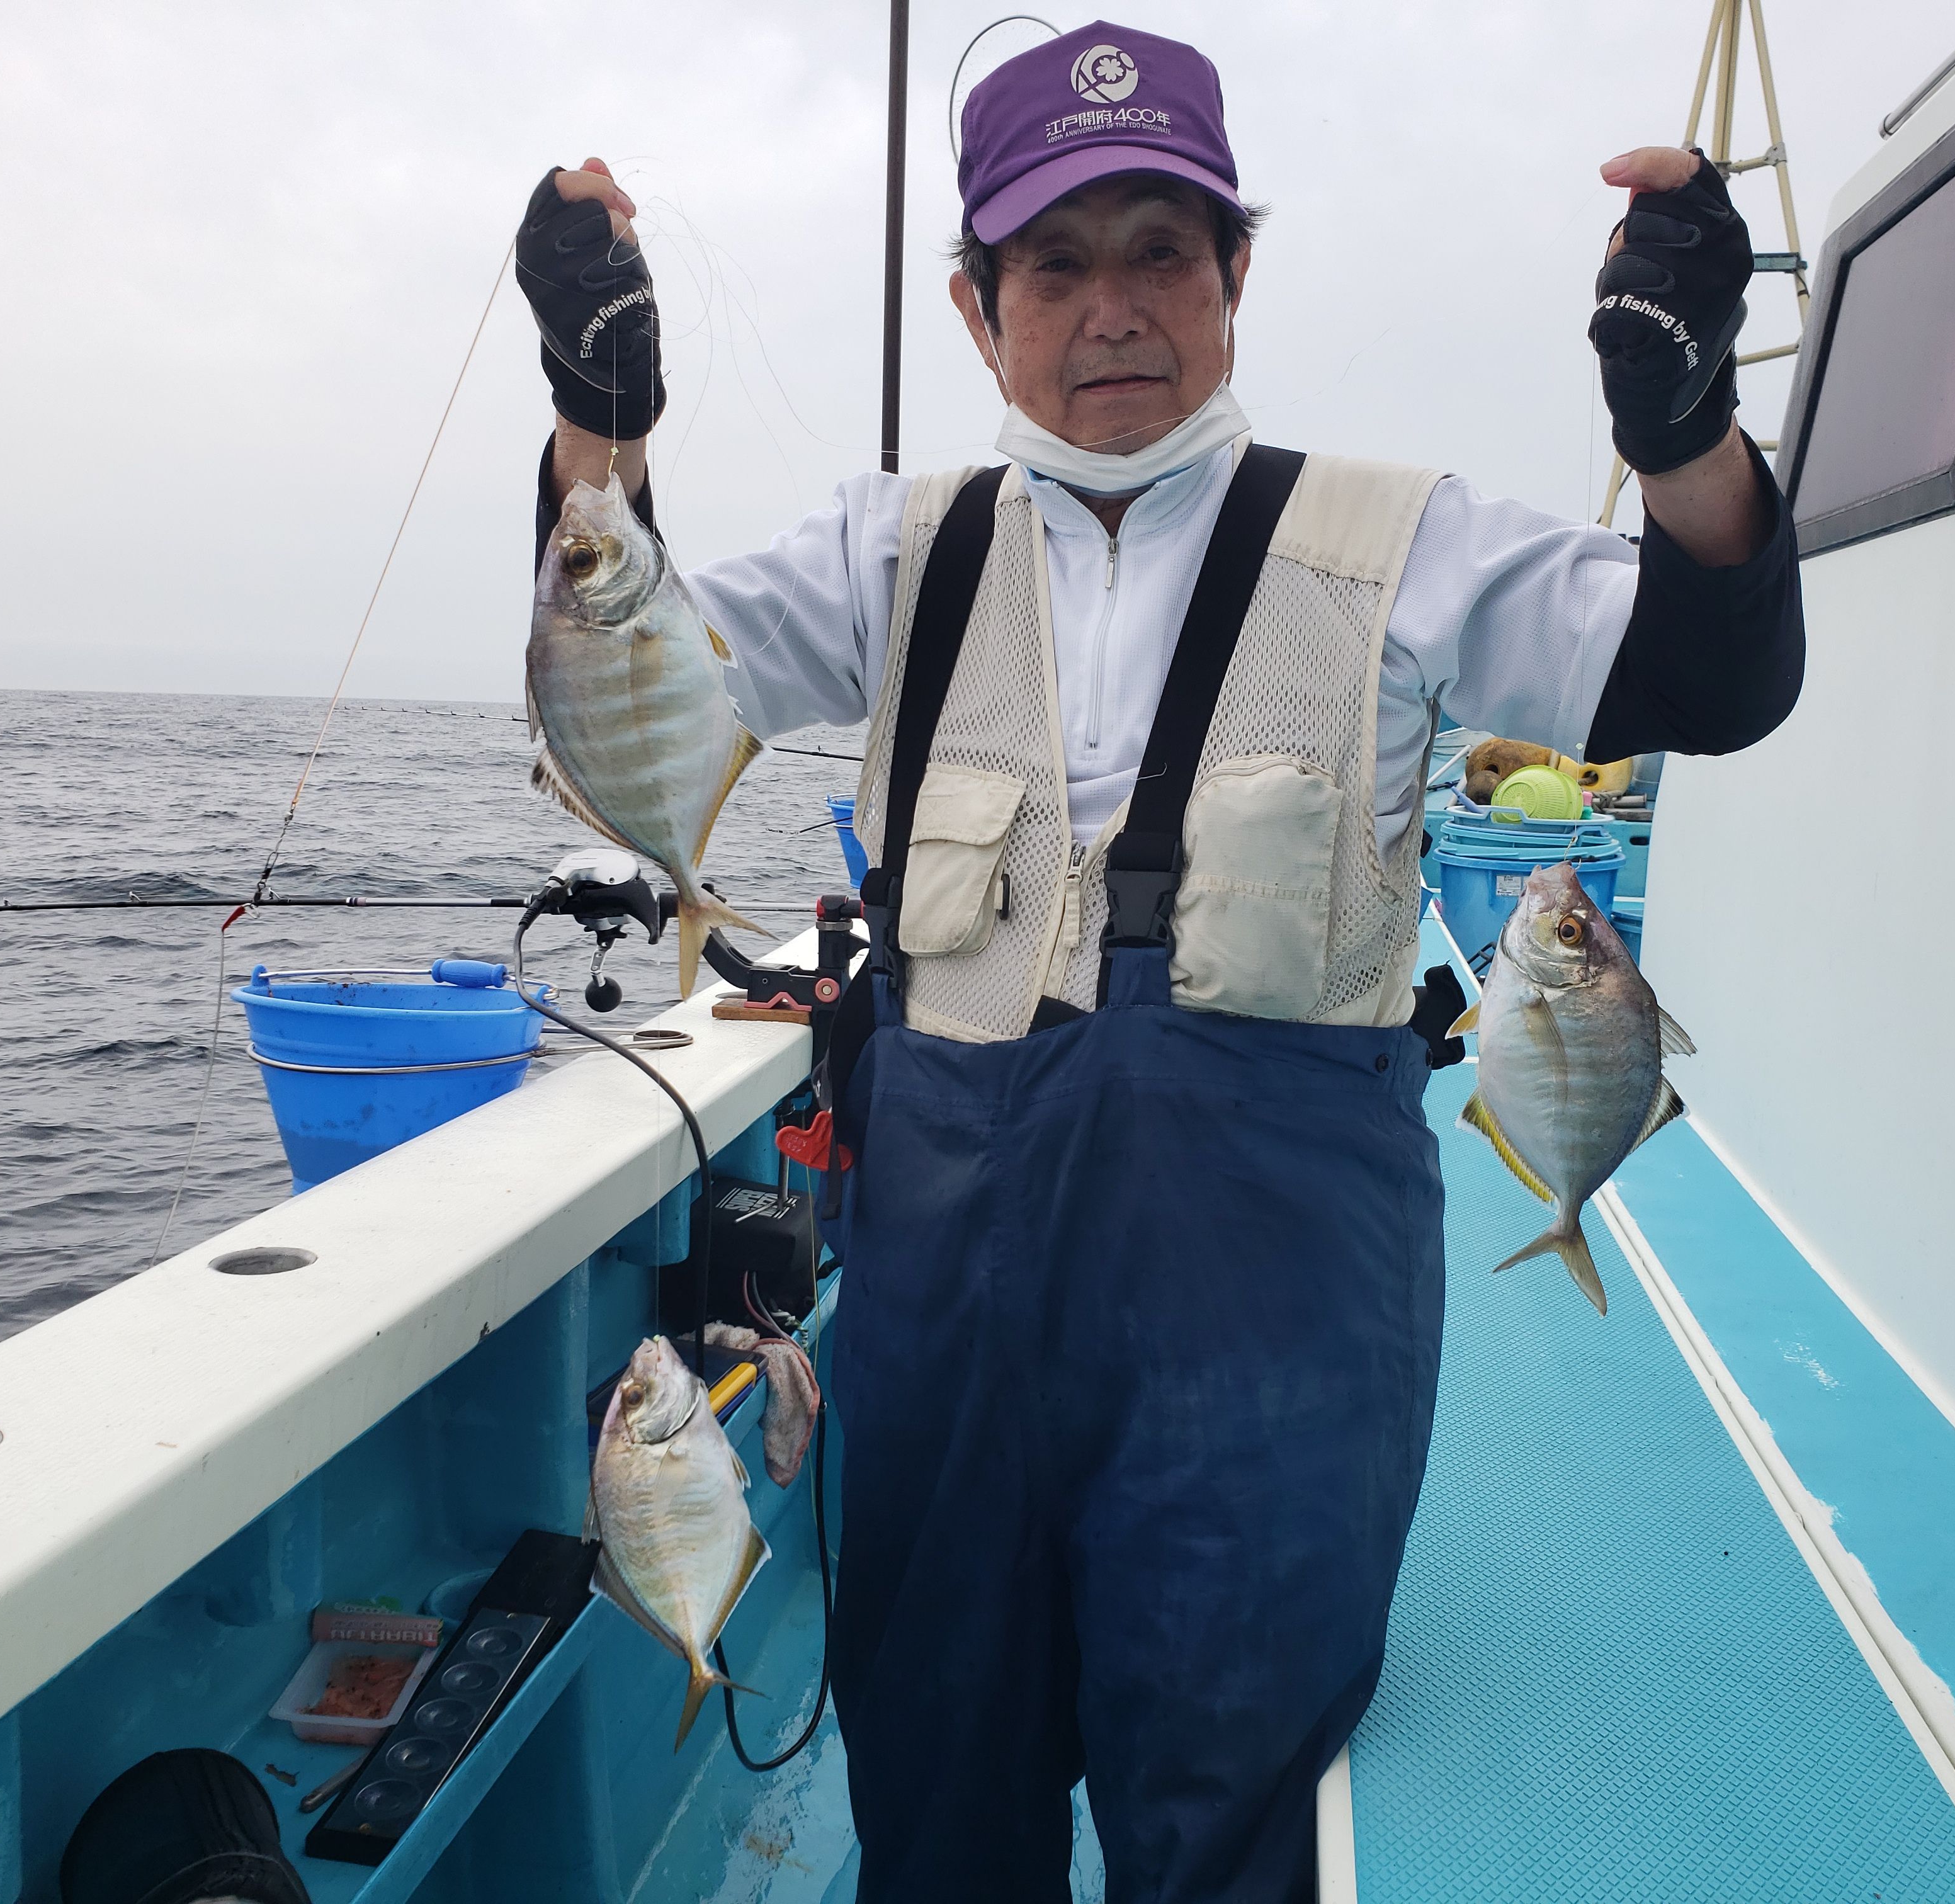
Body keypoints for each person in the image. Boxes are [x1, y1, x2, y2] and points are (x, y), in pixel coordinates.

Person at [516, 21, 1800, 1900]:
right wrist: (594, 422)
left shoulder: (1401, 543)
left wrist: (1684, 436)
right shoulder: (891, 555)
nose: (1112, 309)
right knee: (940, 1789)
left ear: (1233, 278)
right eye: (1056, 263)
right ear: (979, 311)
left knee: (1230, 1813)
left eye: (1161, 252)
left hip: (1277, 1338)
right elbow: (616, 680)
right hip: (949, 1325)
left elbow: (1717, 674)